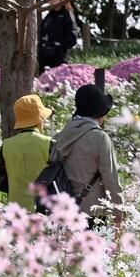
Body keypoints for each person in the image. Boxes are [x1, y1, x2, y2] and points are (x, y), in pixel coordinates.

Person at [52, 84, 123, 227]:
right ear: (100, 113)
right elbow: (111, 180)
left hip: (63, 212)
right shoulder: (101, 138)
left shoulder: (60, 136)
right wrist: (119, 214)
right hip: (92, 213)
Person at [0, 94, 53, 208]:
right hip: (43, 211)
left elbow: (2, 184)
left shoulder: (6, 145)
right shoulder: (50, 144)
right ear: (40, 120)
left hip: (16, 213)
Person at [38, 0, 79, 73]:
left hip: (59, 57)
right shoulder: (48, 17)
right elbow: (42, 34)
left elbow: (72, 37)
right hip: (45, 55)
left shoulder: (67, 14)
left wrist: (59, 48)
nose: (51, 1)